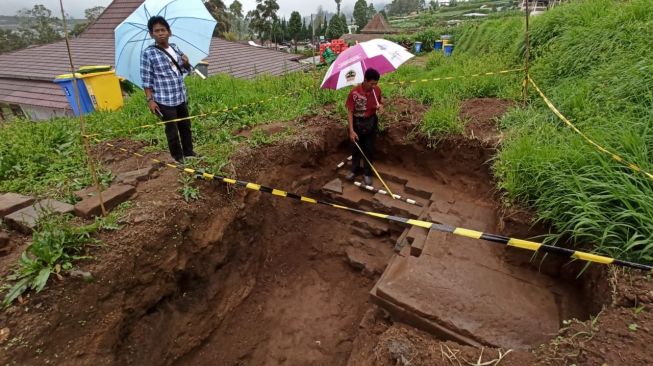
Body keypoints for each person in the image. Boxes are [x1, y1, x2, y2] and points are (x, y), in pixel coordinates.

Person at [140, 16, 196, 164]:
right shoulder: (148, 54)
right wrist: (150, 100)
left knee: (185, 126)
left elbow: (185, 70)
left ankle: (189, 153)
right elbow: (146, 80)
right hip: (164, 100)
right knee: (172, 131)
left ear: (169, 32)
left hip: (180, 96)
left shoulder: (176, 48)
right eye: (156, 31)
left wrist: (186, 62)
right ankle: (178, 158)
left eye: (163, 30)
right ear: (151, 34)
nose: (160, 33)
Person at [345, 68, 384, 186]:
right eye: (372, 83)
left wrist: (381, 106)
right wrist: (351, 131)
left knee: (369, 148)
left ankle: (367, 173)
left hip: (371, 121)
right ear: (365, 80)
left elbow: (381, 100)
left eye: (375, 84)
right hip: (357, 122)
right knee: (356, 148)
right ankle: (354, 170)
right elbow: (350, 112)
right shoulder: (354, 93)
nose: (374, 86)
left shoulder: (376, 90)